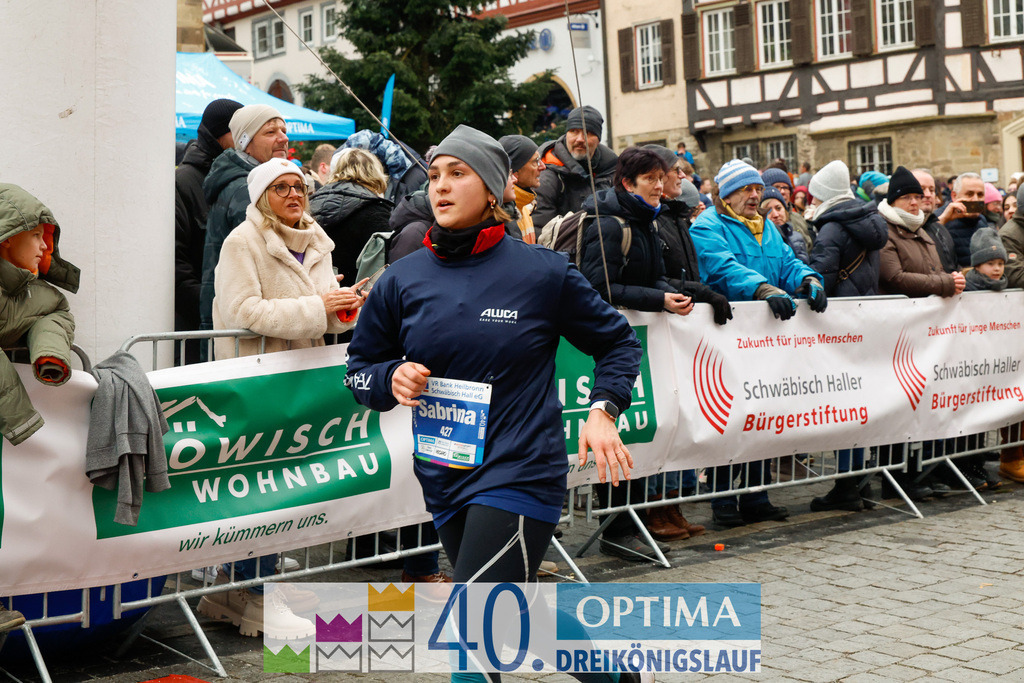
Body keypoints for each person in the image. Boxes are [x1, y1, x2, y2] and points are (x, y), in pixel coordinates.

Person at [344, 126, 642, 643]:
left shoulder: (542, 273)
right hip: (444, 472)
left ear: (492, 188)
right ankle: (616, 675)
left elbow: (618, 343)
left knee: (475, 619)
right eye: (434, 175)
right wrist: (390, 376)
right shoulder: (401, 278)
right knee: (509, 611)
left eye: (457, 174)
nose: (440, 186)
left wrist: (603, 409)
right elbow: (358, 371)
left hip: (520, 470)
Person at [198, 159, 366, 638]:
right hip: (258, 379)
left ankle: (237, 586)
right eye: (281, 188)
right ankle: (254, 593)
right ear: (260, 197)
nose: (295, 194)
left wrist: (346, 307)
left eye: (300, 187)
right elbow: (242, 310)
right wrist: (319, 308)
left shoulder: (315, 239)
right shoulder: (242, 242)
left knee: (285, 483)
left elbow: (325, 313)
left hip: (302, 378)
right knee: (262, 484)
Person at [689, 159, 825, 527]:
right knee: (728, 417)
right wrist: (760, 287)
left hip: (766, 341)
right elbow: (720, 267)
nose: (755, 195)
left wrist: (810, 279)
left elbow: (789, 263)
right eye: (746, 189)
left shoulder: (767, 227)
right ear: (725, 194)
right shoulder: (708, 225)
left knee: (763, 415)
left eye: (757, 189)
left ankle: (756, 494)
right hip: (726, 336)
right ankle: (721, 499)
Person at [803, 161, 888, 510]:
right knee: (858, 404)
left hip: (836, 327)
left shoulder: (831, 229)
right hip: (863, 321)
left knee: (841, 407)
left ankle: (847, 485)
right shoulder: (871, 222)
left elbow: (821, 275)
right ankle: (857, 483)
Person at [877, 166, 966, 499]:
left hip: (925, 332)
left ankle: (918, 472)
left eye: (918, 196)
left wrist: (948, 279)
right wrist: (944, 284)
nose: (915, 202)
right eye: (908, 197)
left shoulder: (921, 230)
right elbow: (894, 278)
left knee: (921, 403)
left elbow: (935, 267)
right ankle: (894, 478)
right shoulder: (885, 230)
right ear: (895, 199)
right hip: (898, 331)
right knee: (898, 404)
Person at [0, 183, 79, 446]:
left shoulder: (40, 294)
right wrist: (21, 419)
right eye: (35, 235)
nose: (45, 246)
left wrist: (50, 353)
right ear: (8, 238)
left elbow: (57, 312)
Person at [199, 105, 289, 333]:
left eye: (283, 130)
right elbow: (268, 261)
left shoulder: (261, 183)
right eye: (270, 132)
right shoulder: (247, 189)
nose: (283, 138)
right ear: (245, 144)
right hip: (248, 327)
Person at [175, 98, 243, 364]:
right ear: (220, 135)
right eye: (239, 132)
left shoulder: (248, 178)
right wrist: (214, 310)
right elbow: (177, 266)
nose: (244, 139)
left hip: (236, 321)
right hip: (202, 329)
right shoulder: (185, 182)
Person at [309, 148, 395, 288]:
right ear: (374, 172)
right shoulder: (377, 210)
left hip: (318, 294)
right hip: (358, 299)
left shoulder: (311, 203)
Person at [534, 105, 618, 227]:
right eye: (574, 131)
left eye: (588, 133)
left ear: (598, 139)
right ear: (566, 134)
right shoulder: (547, 175)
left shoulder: (612, 170)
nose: (580, 139)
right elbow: (540, 229)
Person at [499, 134, 545, 243]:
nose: (543, 166)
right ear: (514, 172)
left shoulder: (523, 209)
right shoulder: (502, 216)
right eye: (535, 161)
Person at [937, 171, 988, 268]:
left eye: (980, 194)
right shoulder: (939, 218)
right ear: (954, 196)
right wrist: (942, 221)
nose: (975, 199)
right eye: (969, 194)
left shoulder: (982, 220)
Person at [912, 169, 959, 274]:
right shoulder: (900, 230)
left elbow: (952, 266)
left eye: (932, 190)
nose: (928, 194)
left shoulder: (940, 229)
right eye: (921, 189)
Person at [762, 168, 814, 251]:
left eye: (785, 187)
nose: (782, 191)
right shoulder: (761, 223)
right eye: (776, 187)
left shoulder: (799, 218)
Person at [758, 186, 810, 263]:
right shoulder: (759, 241)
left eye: (778, 208)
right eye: (768, 211)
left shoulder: (796, 236)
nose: (775, 214)